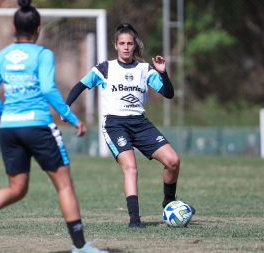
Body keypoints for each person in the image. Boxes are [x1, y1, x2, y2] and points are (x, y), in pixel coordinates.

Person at [0, 1, 109, 252]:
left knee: (17, 188)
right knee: (64, 185)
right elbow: (48, 89)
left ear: (14, 28)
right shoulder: (42, 55)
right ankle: (81, 246)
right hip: (38, 126)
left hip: (9, 129)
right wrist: (72, 119)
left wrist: (6, 113)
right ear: (38, 29)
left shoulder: (2, 56)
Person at [66, 23, 195, 229]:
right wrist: (66, 108)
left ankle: (168, 203)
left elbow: (168, 93)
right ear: (115, 45)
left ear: (135, 46)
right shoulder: (104, 68)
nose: (126, 47)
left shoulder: (145, 69)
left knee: (173, 161)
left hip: (141, 123)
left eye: (130, 43)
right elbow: (80, 85)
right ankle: (134, 219)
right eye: (122, 43)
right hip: (115, 125)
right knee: (131, 168)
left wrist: (163, 73)